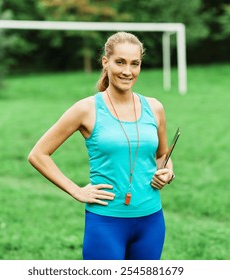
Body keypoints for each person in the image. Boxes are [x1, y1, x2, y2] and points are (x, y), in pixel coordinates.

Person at [28, 31, 175, 260]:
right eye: (120, 62)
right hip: (106, 223)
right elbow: (38, 154)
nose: (128, 71)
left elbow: (162, 155)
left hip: (151, 220)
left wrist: (167, 172)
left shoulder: (154, 108)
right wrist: (76, 190)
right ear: (105, 62)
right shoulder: (86, 109)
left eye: (135, 64)